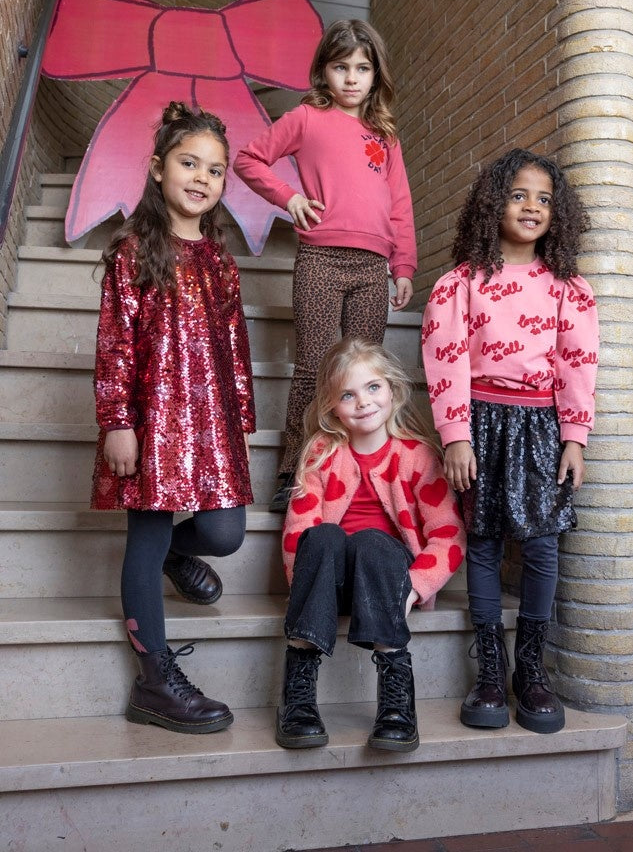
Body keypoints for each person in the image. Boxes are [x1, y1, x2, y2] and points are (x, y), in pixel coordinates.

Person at [422, 148, 599, 735]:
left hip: (542, 424)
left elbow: (577, 365)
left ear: (557, 212)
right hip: (480, 422)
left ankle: (531, 670)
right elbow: (445, 362)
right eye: (518, 194)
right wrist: (456, 436)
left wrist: (574, 438)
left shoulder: (569, 288)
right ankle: (491, 673)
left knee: (543, 546)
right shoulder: (460, 284)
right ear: (493, 203)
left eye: (544, 199)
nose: (531, 207)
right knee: (484, 542)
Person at [91, 101, 255, 734]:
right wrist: (117, 421)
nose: (202, 178)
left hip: (211, 422)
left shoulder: (222, 262)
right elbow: (116, 343)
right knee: (148, 533)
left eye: (215, 170)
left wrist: (241, 420)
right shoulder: (133, 251)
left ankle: (171, 556)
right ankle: (154, 680)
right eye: (190, 163)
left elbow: (235, 347)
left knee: (224, 532)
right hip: (150, 421)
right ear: (159, 169)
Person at [234, 19, 417, 512]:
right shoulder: (306, 118)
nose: (352, 78)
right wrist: (289, 197)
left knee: (364, 374)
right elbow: (249, 160)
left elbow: (400, 205)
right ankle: (294, 471)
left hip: (373, 269)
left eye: (363, 68)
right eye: (341, 67)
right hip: (320, 260)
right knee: (316, 365)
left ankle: (356, 473)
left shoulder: (385, 136)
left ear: (376, 75)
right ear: (323, 71)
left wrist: (404, 266)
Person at [275, 337, 466, 751]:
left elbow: (448, 535)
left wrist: (414, 588)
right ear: (332, 407)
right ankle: (298, 696)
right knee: (321, 536)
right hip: (329, 582)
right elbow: (296, 532)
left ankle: (396, 700)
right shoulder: (321, 452)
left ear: (393, 390)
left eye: (373, 387)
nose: (363, 402)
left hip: (386, 582)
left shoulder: (418, 455)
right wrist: (306, 586)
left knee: (372, 542)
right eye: (348, 394)